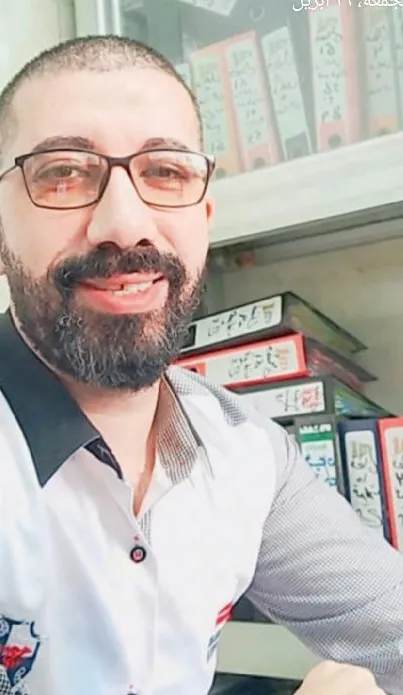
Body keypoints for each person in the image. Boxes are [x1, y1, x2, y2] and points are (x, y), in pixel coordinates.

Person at [0, 35, 399, 695]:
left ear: (204, 218)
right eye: (63, 172)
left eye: (165, 172)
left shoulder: (243, 450)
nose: (125, 225)